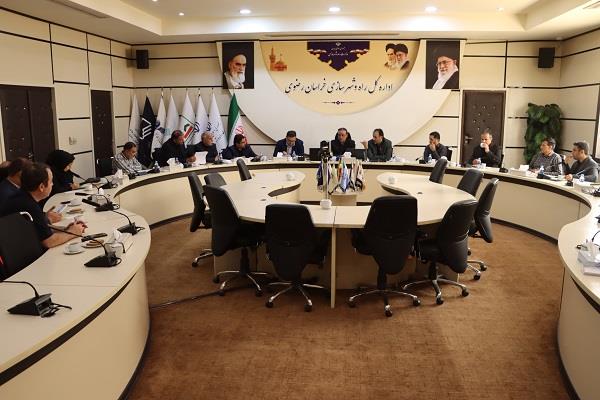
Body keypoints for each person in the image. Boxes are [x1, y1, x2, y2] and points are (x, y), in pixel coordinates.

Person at [1, 162, 85, 248]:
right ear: (41, 187)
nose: (52, 184)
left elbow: (40, 231)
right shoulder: (29, 205)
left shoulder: (21, 197)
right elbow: (48, 241)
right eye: (51, 181)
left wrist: (67, 229)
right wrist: (73, 233)